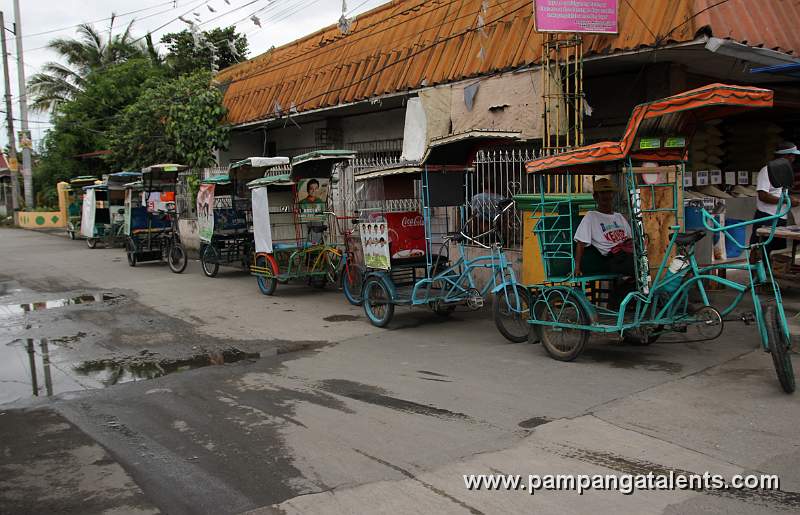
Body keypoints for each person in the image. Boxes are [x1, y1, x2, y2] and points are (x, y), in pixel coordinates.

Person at [573, 178, 634, 278]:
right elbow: (581, 243)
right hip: (613, 258)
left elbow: (629, 239)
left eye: (609, 192)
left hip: (628, 254)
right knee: (635, 265)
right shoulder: (591, 216)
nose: (606, 196)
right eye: (602, 193)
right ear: (595, 197)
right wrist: (577, 267)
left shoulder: (619, 216)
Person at [750, 142, 799, 260]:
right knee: (759, 248)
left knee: (772, 250)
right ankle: (756, 275)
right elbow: (763, 196)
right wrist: (787, 201)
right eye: (792, 156)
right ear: (786, 156)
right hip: (766, 216)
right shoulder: (766, 171)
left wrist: (789, 200)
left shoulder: (783, 171)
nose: (794, 158)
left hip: (780, 217)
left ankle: (767, 274)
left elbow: (780, 192)